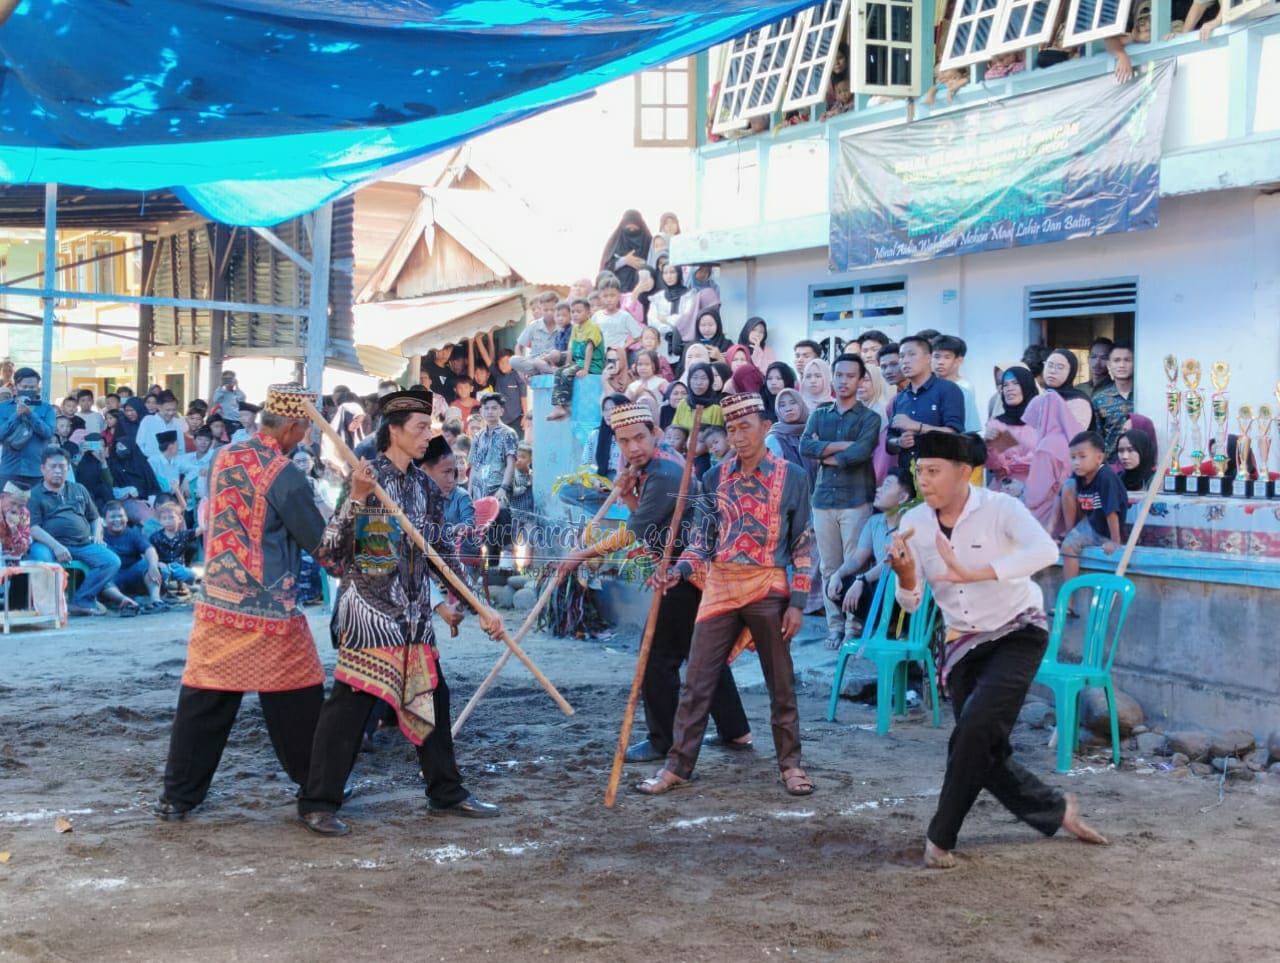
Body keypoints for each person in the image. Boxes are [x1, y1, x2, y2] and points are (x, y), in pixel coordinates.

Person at [885, 431, 1108, 869]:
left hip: (1017, 632)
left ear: (962, 473)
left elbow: (1045, 549)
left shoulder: (1000, 507)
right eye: (919, 471)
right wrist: (907, 575)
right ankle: (1055, 809)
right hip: (962, 643)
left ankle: (940, 837)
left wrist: (978, 572)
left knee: (972, 731)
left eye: (933, 471)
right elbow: (910, 602)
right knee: (984, 746)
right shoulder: (915, 523)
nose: (924, 480)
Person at [297, 389, 505, 836]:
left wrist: (474, 604)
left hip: (412, 621)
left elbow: (441, 556)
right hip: (370, 619)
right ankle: (317, 801)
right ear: (393, 430)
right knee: (349, 712)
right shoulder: (364, 479)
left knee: (434, 699)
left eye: (429, 427)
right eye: (419, 428)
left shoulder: (426, 489)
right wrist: (355, 498)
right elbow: (330, 553)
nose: (428, 435)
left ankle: (445, 791)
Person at [154, 384, 332, 821]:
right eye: (308, 427)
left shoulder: (224, 457)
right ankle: (317, 790)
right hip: (269, 607)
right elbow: (323, 547)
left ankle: (178, 797)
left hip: (218, 599)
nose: (309, 436)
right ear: (293, 426)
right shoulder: (285, 474)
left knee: (206, 699)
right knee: (298, 697)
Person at [637, 393, 816, 798]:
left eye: (745, 426)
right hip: (720, 584)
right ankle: (677, 766)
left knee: (781, 684)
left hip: (768, 586)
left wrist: (799, 603)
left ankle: (791, 765)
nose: (737, 436)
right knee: (698, 680)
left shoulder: (793, 477)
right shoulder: (714, 478)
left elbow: (804, 542)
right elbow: (701, 540)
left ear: (765, 428)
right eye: (730, 429)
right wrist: (679, 570)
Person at [557, 402, 752, 762]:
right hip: (692, 568)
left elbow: (633, 533)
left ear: (656, 434)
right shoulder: (651, 464)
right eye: (624, 440)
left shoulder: (662, 471)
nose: (633, 447)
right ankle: (736, 731)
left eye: (639, 438)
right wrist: (629, 492)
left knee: (658, 656)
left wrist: (578, 556)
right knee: (702, 653)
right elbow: (646, 520)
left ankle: (662, 739)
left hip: (686, 570)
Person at [800, 354, 882, 647]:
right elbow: (805, 446)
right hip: (822, 499)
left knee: (854, 564)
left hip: (856, 499)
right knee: (828, 567)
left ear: (861, 380)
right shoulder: (819, 414)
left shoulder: (870, 417)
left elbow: (861, 452)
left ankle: (853, 625)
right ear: (832, 378)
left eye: (851, 376)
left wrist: (828, 454)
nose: (844, 381)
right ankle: (834, 626)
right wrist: (838, 448)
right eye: (839, 375)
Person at [24, 447, 121, 616]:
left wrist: (97, 533)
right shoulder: (35, 494)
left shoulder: (79, 489)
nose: (57, 471)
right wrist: (57, 546)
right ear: (43, 469)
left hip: (82, 544)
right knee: (44, 561)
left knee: (111, 560)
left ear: (68, 469)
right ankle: (50, 607)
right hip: (48, 544)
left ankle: (81, 600)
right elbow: (33, 527)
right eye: (53, 466)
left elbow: (95, 517)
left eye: (62, 466)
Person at [827, 467, 915, 637]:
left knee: (881, 587)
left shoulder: (910, 522)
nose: (878, 489)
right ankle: (888, 627)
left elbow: (892, 562)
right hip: (880, 586)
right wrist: (838, 574)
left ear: (903, 497)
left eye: (887, 485)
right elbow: (858, 559)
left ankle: (900, 626)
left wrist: (862, 579)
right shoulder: (874, 522)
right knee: (837, 586)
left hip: (904, 591)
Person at [1059, 431, 1127, 604]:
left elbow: (1112, 511)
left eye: (1082, 457)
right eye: (1073, 457)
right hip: (1091, 524)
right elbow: (1063, 496)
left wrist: (1115, 541)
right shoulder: (1079, 475)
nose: (1076, 462)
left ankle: (1068, 601)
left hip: (1105, 528)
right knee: (1068, 547)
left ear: (1099, 458)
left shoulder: (1106, 477)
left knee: (1069, 546)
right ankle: (1068, 602)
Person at [886, 335, 965, 470]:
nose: (905, 361)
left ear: (928, 358)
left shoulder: (948, 389)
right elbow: (889, 441)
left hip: (939, 472)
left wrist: (918, 426)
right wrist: (899, 442)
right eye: (901, 356)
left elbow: (954, 435)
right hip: (907, 472)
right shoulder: (900, 398)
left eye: (911, 355)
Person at [470, 392, 520, 569]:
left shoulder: (509, 433)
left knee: (503, 516)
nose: (490, 411)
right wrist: (470, 492)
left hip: (499, 488)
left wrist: (504, 487)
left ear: (501, 411)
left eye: (494, 408)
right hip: (481, 489)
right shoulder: (477, 437)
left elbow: (511, 462)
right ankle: (491, 569)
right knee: (488, 529)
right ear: (482, 410)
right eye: (487, 408)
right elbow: (474, 467)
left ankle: (508, 557)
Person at [1019, 391, 1076, 535]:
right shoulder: (1071, 438)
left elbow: (1036, 495)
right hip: (1070, 516)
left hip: (1046, 519)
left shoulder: (1046, 447)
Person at [100, 500, 164, 614]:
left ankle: (155, 601)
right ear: (104, 520)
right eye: (113, 517)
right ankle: (125, 601)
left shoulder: (133, 533)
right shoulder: (99, 534)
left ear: (126, 518)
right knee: (100, 578)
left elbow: (149, 549)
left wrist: (153, 565)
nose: (117, 520)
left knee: (148, 563)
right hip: (112, 577)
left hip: (132, 574)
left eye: (120, 516)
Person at [984, 366, 1039, 494]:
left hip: (1037, 492)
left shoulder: (1042, 420)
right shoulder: (998, 423)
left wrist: (1011, 464)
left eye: (1015, 383)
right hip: (1005, 491)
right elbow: (998, 466)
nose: (1009, 389)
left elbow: (1042, 458)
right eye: (1005, 385)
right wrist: (990, 445)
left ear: (1027, 386)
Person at [548, 298, 605, 422]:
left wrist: (586, 369)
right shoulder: (575, 328)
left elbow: (589, 348)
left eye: (579, 312)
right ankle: (559, 407)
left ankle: (566, 405)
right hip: (578, 363)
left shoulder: (593, 327)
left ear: (588, 313)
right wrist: (567, 365)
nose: (575, 314)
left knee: (567, 373)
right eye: (573, 312)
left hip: (592, 364)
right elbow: (571, 349)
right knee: (559, 372)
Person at [0, 368, 57, 491]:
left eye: (32, 388)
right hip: (9, 470)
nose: (28, 390)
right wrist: (16, 415)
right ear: (16, 387)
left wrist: (30, 414)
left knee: (34, 509)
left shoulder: (46, 408)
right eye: (24, 387)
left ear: (37, 387)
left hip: (36, 470)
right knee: (7, 509)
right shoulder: (3, 408)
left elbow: (48, 433)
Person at [1091, 342, 1134, 461]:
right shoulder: (1099, 400)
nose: (1122, 365)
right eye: (1117, 360)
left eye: (1127, 360)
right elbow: (1097, 438)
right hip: (1111, 466)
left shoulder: (1144, 397)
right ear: (1109, 365)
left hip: (1140, 467)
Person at [931, 335, 983, 432]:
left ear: (959, 361)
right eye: (936, 356)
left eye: (947, 357)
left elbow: (970, 429)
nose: (940, 362)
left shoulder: (964, 389)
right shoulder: (925, 388)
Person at [149, 499, 199, 599]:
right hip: (163, 566)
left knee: (191, 575)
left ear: (179, 519)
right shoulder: (155, 537)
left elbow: (200, 530)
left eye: (171, 517)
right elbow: (150, 553)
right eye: (164, 518)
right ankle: (163, 590)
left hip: (178, 566)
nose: (168, 521)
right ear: (160, 521)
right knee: (163, 572)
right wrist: (157, 563)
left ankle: (181, 586)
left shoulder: (183, 535)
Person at [599, 209, 653, 293]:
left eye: (634, 229)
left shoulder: (648, 242)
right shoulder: (615, 242)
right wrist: (624, 261)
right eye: (628, 229)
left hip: (642, 293)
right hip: (616, 294)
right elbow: (605, 268)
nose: (631, 231)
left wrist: (642, 264)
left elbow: (654, 265)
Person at [1043, 349, 1094, 435]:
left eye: (1060, 367)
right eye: (1049, 365)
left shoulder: (1079, 401)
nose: (1052, 371)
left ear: (1071, 372)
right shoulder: (1041, 396)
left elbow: (1074, 436)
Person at [136, 390, 185, 460]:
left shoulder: (177, 423)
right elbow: (140, 444)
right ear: (158, 407)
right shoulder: (148, 421)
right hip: (151, 464)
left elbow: (181, 448)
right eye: (167, 410)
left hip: (172, 466)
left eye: (174, 410)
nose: (171, 413)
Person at [490, 349, 525, 434]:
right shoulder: (498, 375)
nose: (504, 365)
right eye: (501, 362)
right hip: (500, 420)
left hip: (516, 419)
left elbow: (524, 396)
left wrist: (525, 415)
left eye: (507, 362)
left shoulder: (518, 375)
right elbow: (488, 359)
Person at [1116, 427, 1156, 492]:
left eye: (1130, 450)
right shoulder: (1116, 480)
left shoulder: (1156, 481)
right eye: (1121, 451)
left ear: (1143, 451)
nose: (1124, 456)